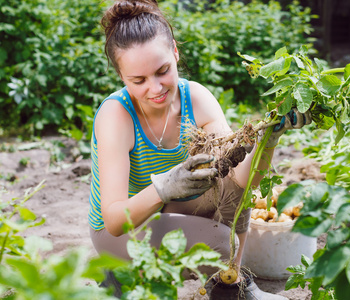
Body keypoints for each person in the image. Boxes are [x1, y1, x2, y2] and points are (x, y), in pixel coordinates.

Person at [88, 0, 311, 298]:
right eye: (138, 80)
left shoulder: (196, 99)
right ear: (121, 76)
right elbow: (115, 220)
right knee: (221, 242)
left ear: (175, 53)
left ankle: (231, 290)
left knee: (231, 193)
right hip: (120, 231)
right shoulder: (116, 116)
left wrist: (268, 139)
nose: (155, 88)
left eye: (163, 71)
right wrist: (165, 187)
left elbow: (241, 182)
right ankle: (120, 272)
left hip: (165, 211)